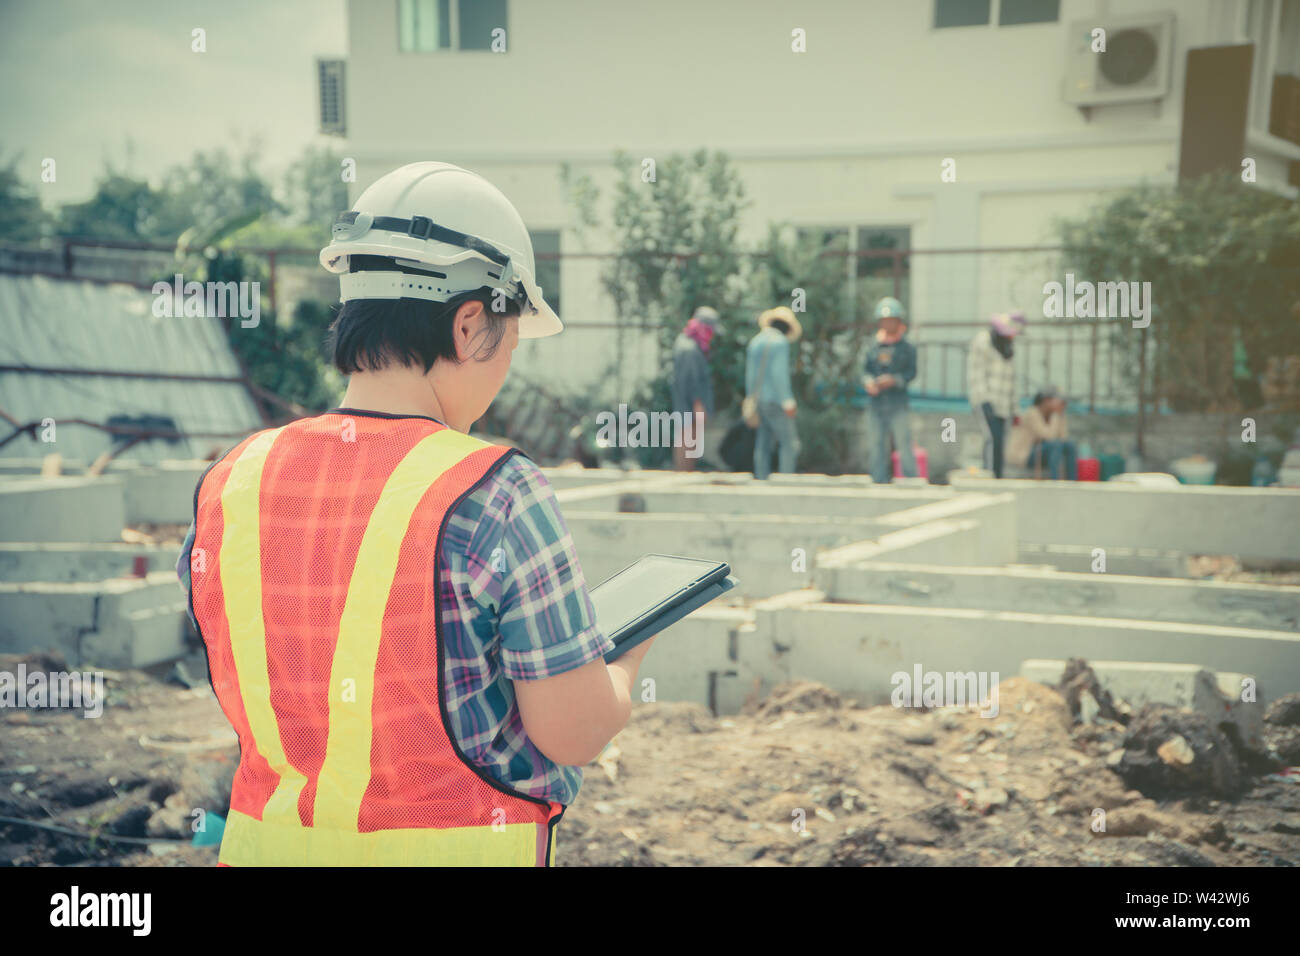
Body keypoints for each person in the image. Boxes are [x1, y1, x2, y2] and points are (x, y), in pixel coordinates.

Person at [176, 162, 655, 867]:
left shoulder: (230, 481)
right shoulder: (495, 490)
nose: (504, 369)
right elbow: (573, 733)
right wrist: (623, 659)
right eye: (511, 343)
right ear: (469, 326)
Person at [863, 296, 919, 484]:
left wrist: (894, 380)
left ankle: (911, 482)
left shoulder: (907, 347)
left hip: (898, 404)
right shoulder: (872, 345)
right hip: (876, 404)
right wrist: (869, 382)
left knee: (904, 444)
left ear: (898, 321)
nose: (887, 324)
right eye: (884, 320)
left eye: (891, 320)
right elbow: (864, 370)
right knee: (876, 445)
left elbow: (911, 373)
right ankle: (879, 482)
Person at [967, 310, 1025, 478]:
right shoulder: (983, 341)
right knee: (992, 439)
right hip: (987, 401)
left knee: (1000, 443)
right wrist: (983, 399)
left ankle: (997, 476)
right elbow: (976, 373)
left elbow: (1012, 381)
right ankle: (990, 477)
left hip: (1004, 405)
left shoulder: (1008, 348)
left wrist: (1015, 410)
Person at [745, 306, 801, 480]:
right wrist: (788, 401)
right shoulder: (780, 343)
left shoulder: (755, 341)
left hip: (758, 400)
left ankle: (761, 479)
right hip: (775, 401)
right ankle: (786, 481)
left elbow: (750, 375)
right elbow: (779, 374)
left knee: (763, 443)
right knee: (790, 443)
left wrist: (750, 398)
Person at [670, 306, 719, 471]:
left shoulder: (687, 343)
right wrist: (698, 403)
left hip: (685, 402)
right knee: (688, 437)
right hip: (689, 404)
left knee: (688, 437)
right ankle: (684, 474)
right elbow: (692, 380)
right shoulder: (689, 348)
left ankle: (685, 473)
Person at [1007, 385, 1077, 479]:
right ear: (1046, 400)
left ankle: (1072, 480)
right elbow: (1048, 436)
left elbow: (1064, 438)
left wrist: (1060, 416)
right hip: (1025, 455)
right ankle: (1055, 481)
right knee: (1055, 445)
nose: (1060, 403)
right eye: (1056, 400)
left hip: (1042, 451)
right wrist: (1056, 415)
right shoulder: (1032, 413)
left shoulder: (1054, 414)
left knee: (1070, 445)